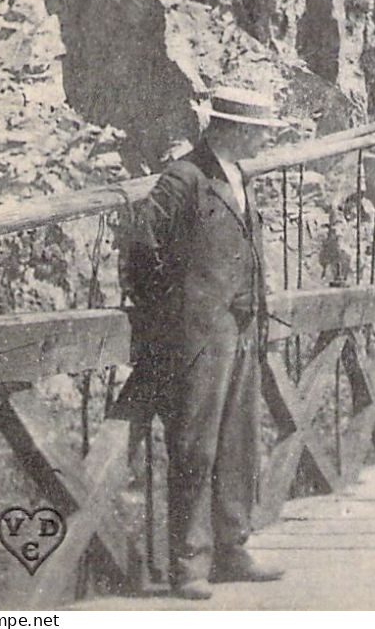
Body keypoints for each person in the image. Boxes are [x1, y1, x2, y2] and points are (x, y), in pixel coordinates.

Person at [118, 86, 288, 600]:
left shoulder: (237, 175)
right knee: (195, 443)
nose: (265, 140)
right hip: (198, 334)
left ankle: (232, 549)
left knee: (238, 440)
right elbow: (140, 244)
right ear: (233, 129)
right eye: (260, 131)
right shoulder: (184, 177)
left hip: (240, 328)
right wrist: (172, 313)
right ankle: (189, 562)